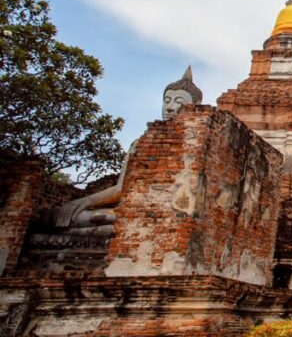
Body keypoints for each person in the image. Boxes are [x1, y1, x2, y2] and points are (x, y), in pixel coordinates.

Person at [54, 67, 202, 235]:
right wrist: (84, 201)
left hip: (174, 213)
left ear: (193, 108)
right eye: (167, 100)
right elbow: (121, 189)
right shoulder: (139, 144)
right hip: (133, 210)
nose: (170, 107)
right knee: (61, 216)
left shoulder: (199, 141)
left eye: (179, 102)